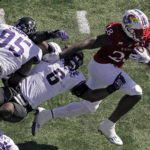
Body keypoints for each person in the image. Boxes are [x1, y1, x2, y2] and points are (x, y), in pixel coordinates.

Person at [39, 9, 150, 145]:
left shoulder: (144, 34)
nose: (142, 35)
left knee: (89, 107)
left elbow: (146, 52)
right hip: (102, 65)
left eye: (143, 31)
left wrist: (147, 59)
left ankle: (47, 114)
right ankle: (108, 126)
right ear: (128, 28)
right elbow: (90, 42)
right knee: (136, 92)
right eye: (138, 32)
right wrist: (60, 54)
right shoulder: (115, 34)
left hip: (110, 68)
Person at [0, 42, 125, 126]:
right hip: (15, 93)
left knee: (7, 108)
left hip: (20, 102)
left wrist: (46, 35)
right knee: (6, 108)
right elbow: (91, 96)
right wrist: (112, 88)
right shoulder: (74, 76)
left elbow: (40, 43)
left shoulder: (55, 56)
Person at [0, 16, 69, 86]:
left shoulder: (4, 27)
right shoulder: (34, 49)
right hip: (2, 68)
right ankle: (12, 83)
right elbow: (26, 66)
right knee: (28, 61)